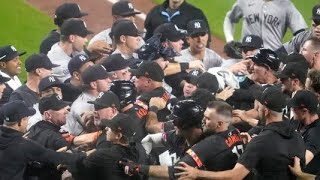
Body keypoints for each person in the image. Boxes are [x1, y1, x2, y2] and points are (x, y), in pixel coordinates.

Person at [175, 87, 306, 180]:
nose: (257, 109)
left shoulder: (260, 141)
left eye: (258, 106)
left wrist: (197, 173)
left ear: (265, 111)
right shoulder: (297, 136)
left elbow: (235, 176)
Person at [0, 100, 86, 180]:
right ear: (21, 121)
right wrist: (84, 155)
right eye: (26, 118)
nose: (28, 121)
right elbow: (55, 157)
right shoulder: (22, 144)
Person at [77, 112, 147, 180]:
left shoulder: (103, 155)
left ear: (118, 136)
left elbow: (78, 166)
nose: (106, 128)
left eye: (110, 128)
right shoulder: (141, 149)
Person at [223, 0, 307, 50]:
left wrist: (286, 50)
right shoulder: (245, 1)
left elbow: (301, 32)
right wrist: (230, 40)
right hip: (246, 54)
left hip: (272, 58)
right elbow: (229, 18)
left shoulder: (286, 4)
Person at [66, 64, 112, 136]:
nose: (109, 80)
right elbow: (95, 132)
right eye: (104, 78)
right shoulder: (82, 106)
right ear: (94, 84)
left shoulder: (105, 96)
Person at [144, 0, 210, 47]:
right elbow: (148, 38)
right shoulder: (155, 12)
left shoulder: (196, 14)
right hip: (157, 60)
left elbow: (204, 43)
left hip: (184, 61)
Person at [289, 90, 320, 174]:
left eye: (294, 108)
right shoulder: (297, 120)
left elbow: (302, 161)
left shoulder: (316, 133)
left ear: (304, 111)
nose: (292, 110)